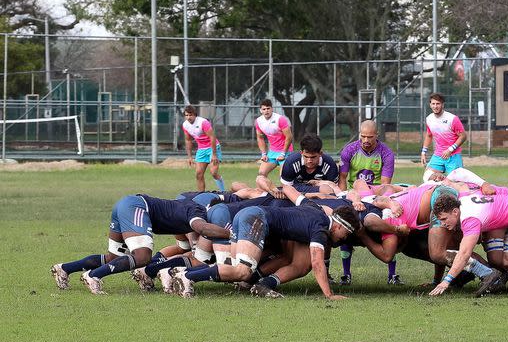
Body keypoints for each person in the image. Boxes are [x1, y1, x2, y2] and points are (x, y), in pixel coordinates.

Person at [172, 184, 360, 299]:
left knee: (236, 267)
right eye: (346, 234)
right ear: (339, 226)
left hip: (247, 215)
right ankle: (187, 276)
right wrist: (329, 294)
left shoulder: (312, 207)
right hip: (255, 219)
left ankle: (179, 272)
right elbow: (317, 262)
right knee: (242, 271)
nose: (343, 239)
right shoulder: (320, 228)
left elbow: (289, 190)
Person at [51, 194, 231, 294]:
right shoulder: (196, 210)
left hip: (127, 204)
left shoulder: (185, 208)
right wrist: (231, 234)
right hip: (137, 207)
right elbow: (203, 229)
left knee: (114, 257)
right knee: (142, 256)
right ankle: (94, 276)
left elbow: (186, 247)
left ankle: (64, 268)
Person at [337, 120, 397, 285]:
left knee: (388, 225)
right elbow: (342, 179)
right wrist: (343, 197)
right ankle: (346, 274)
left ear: (376, 135)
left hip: (375, 197)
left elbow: (385, 185)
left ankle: (392, 275)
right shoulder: (349, 150)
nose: (366, 140)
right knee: (346, 228)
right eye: (362, 136)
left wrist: (375, 199)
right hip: (352, 195)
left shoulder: (386, 154)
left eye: (370, 137)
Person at [420, 93, 466, 182]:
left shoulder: (452, 119)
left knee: (456, 183)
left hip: (453, 156)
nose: (435, 106)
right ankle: (439, 193)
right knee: (428, 177)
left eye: (438, 104)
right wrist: (423, 152)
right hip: (438, 155)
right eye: (433, 104)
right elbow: (429, 135)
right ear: (430, 105)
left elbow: (463, 136)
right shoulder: (429, 119)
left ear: (442, 105)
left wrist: (450, 149)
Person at [182, 105, 225, 191]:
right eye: (186, 115)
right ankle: (201, 196)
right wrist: (190, 157)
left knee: (214, 173)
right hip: (201, 150)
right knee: (199, 174)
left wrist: (214, 154)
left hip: (213, 148)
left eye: (190, 115)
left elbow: (212, 137)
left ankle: (223, 192)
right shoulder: (185, 125)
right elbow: (188, 140)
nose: (188, 117)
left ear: (195, 114)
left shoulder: (203, 122)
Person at [255, 99, 294, 178]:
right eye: (264, 109)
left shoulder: (280, 119)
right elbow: (260, 138)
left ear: (272, 109)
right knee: (261, 174)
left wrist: (283, 153)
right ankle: (269, 190)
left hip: (286, 152)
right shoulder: (258, 121)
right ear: (260, 110)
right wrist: (264, 154)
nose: (266, 111)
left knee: (283, 176)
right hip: (272, 152)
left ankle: (289, 189)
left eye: (268, 108)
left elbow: (289, 137)